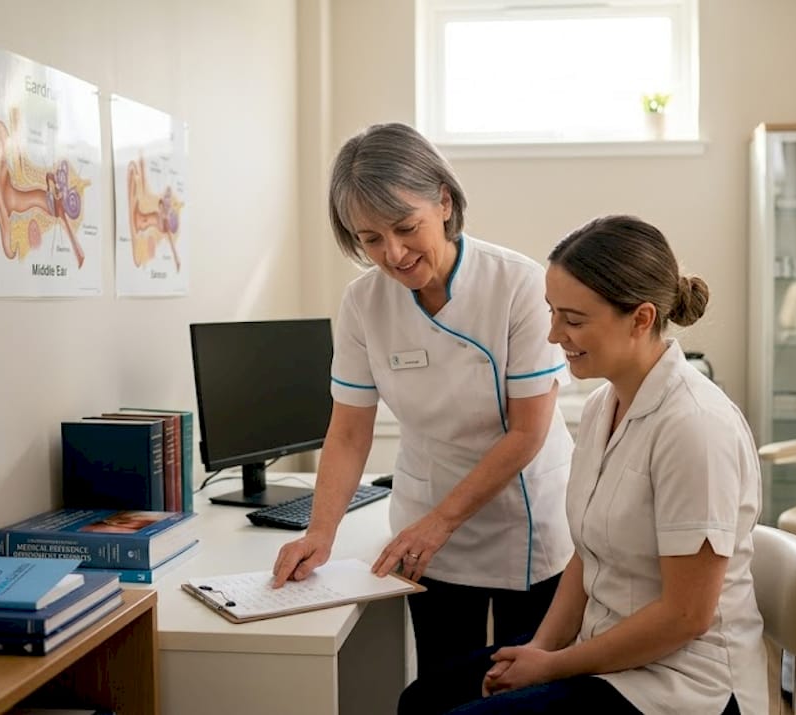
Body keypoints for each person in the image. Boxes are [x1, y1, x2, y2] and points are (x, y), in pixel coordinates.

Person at [398, 215, 767, 714]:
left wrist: (549, 668)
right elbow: (587, 557)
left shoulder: (695, 428)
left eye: (572, 320)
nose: (553, 335)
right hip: (607, 654)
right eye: (551, 313)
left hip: (683, 684)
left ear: (640, 318)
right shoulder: (601, 407)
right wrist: (539, 650)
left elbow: (686, 617)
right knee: (424, 698)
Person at [271, 122, 575, 677]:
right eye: (369, 239)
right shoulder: (364, 303)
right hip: (426, 530)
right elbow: (348, 431)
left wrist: (441, 521)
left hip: (524, 524)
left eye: (405, 227)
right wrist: (321, 532)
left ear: (443, 200)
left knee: (523, 692)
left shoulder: (518, 285)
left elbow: (528, 431)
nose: (393, 253)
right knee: (442, 685)